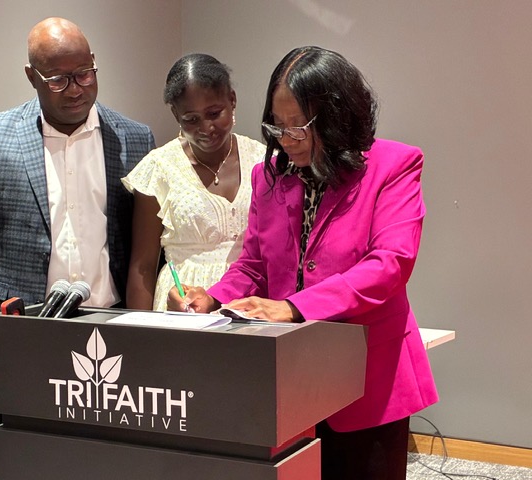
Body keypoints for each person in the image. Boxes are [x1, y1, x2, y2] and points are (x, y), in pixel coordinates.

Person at [168, 46, 438, 480]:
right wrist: (213, 299)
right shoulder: (270, 176)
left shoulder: (393, 165)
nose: (285, 139)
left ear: (337, 117)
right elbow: (254, 264)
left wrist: (295, 307)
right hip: (290, 378)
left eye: (299, 126)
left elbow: (389, 265)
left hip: (367, 378)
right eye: (277, 125)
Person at [0, 17, 155, 421]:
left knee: (115, 447)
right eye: (59, 79)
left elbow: (145, 245)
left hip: (114, 323)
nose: (76, 89)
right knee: (26, 446)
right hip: (25, 330)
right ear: (32, 77)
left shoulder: (135, 138)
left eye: (85, 73)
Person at [122, 53, 265, 311]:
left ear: (232, 100)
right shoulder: (159, 168)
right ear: (176, 114)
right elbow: (143, 265)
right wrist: (138, 329)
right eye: (191, 119)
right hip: (182, 306)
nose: (206, 128)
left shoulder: (263, 160)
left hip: (251, 300)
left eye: (214, 113)